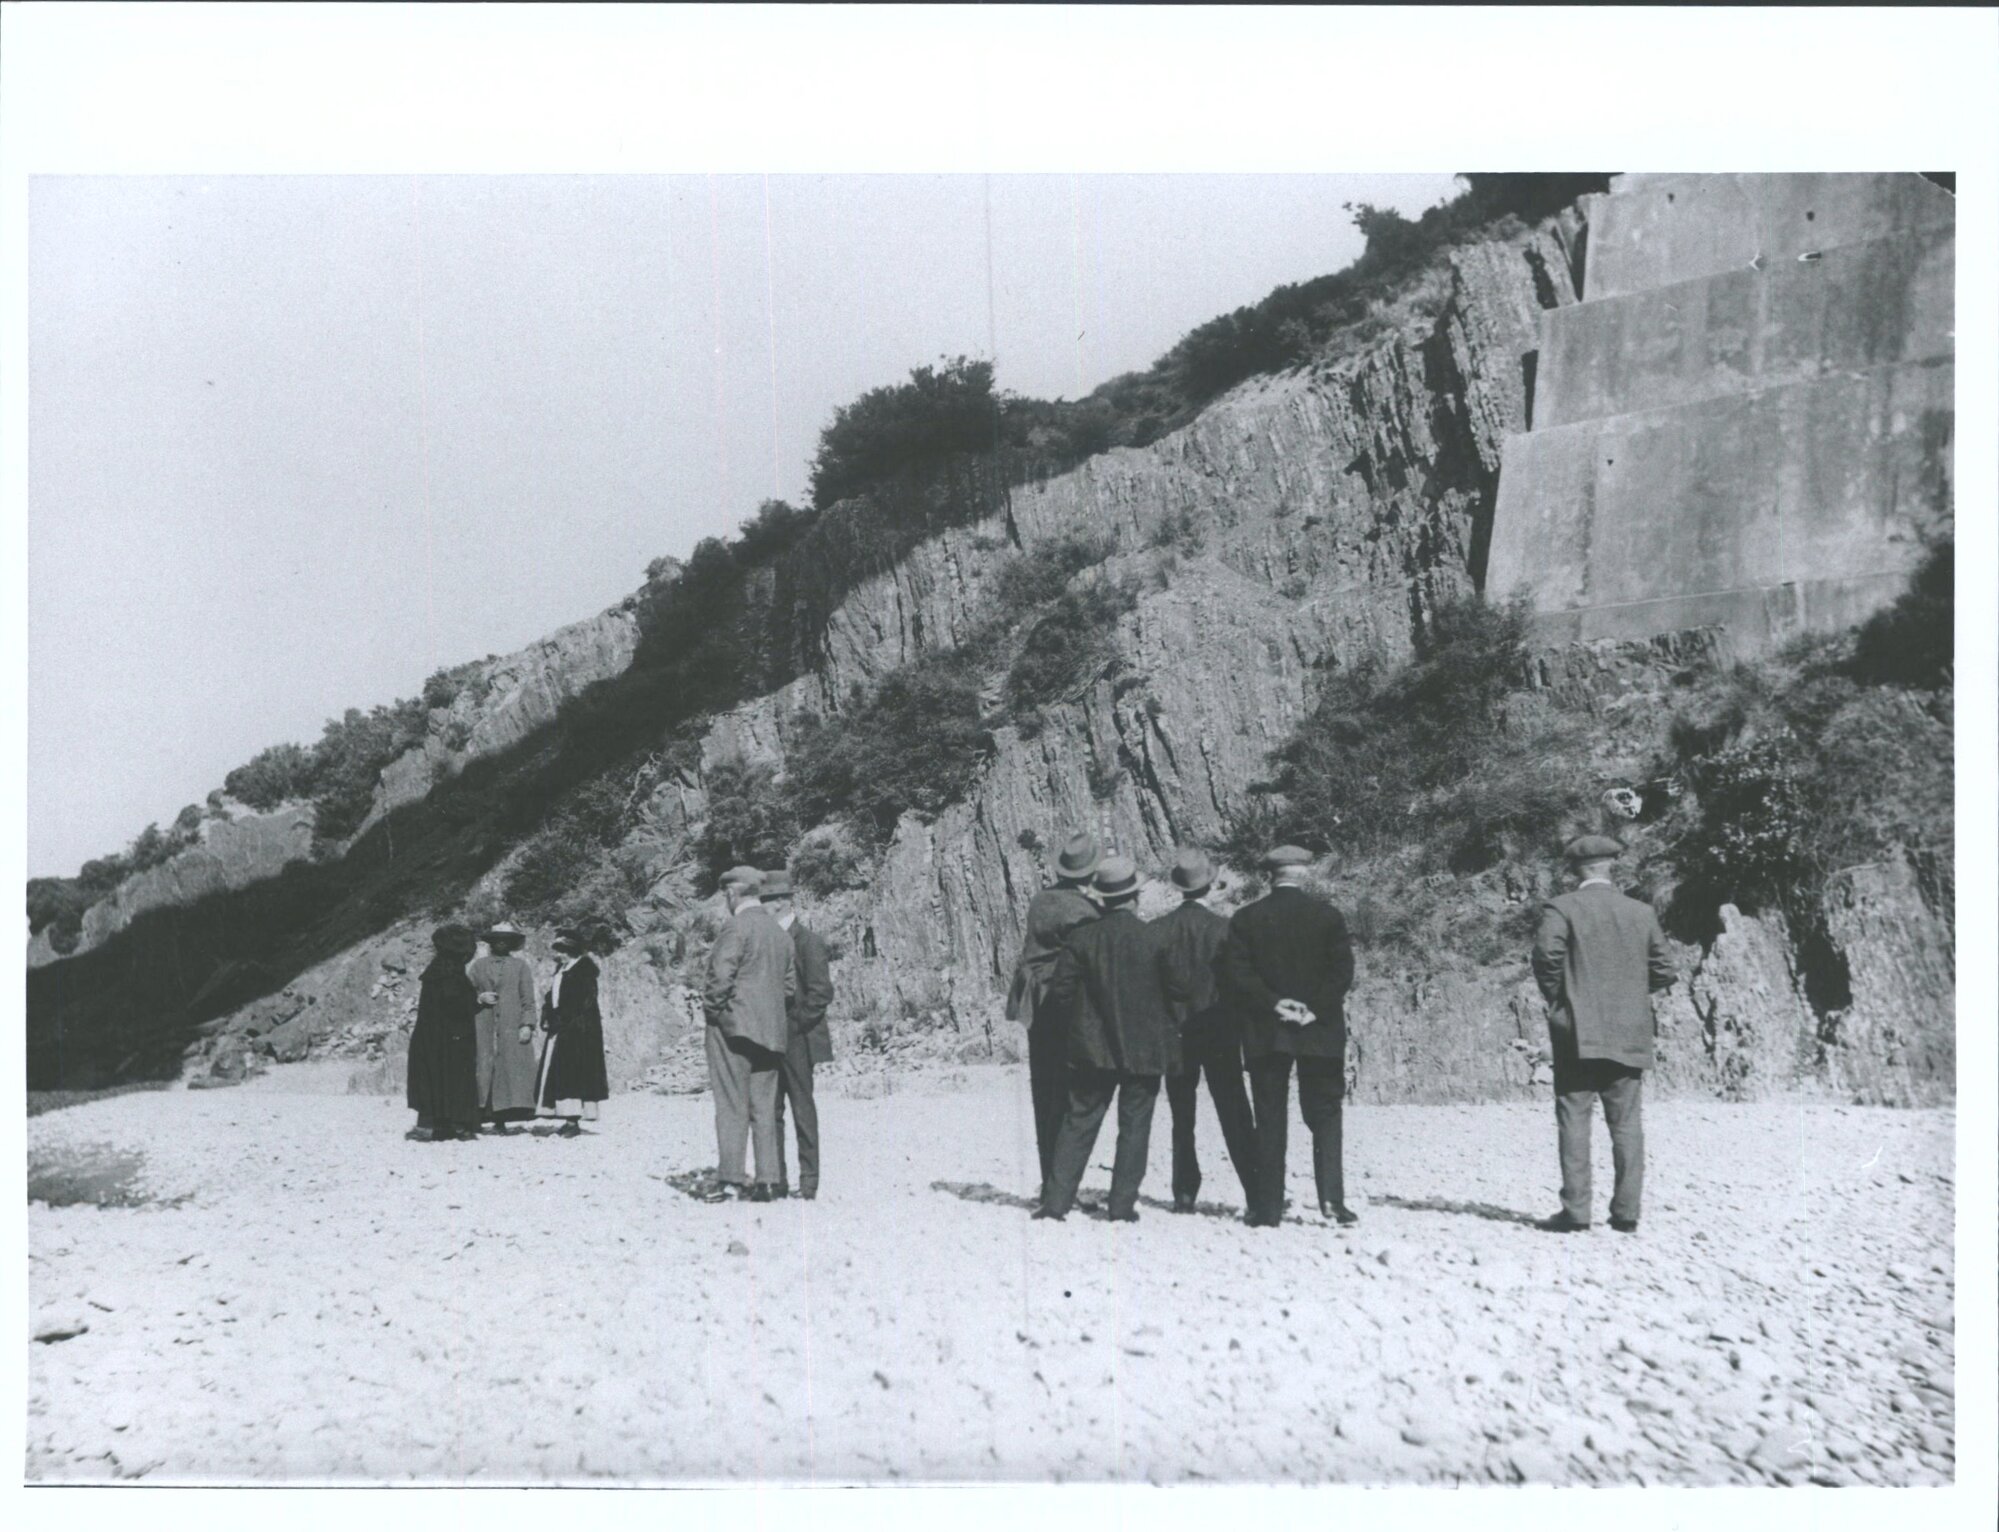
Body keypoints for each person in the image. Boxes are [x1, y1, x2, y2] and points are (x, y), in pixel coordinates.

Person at [1529, 835, 1677, 1234]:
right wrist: (1629, 994)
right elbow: (1664, 969)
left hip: (1577, 1031)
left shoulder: (1562, 908)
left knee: (1574, 1117)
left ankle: (1576, 1212)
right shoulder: (1640, 912)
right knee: (1627, 1123)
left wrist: (1561, 999)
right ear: (1611, 866)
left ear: (1575, 869)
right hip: (1629, 1029)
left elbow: (1546, 958)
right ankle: (1626, 1214)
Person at [1035, 855, 1178, 1223]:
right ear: (1135, 896)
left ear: (1102, 898)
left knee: (1078, 1121)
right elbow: (1176, 991)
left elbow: (1062, 993)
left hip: (1090, 1049)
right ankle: (1121, 1206)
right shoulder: (1155, 938)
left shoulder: (1083, 939)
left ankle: (1055, 1204)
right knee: (1134, 1126)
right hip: (1143, 1049)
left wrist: (1082, 1027)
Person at [1221, 846, 1357, 1228]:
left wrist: (1274, 1004)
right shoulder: (1328, 917)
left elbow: (1238, 973)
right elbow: (1342, 971)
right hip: (1320, 1029)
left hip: (1268, 1031)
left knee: (1269, 1116)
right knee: (1326, 1113)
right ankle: (1332, 1202)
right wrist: (1314, 1008)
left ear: (1270, 876)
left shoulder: (1246, 919)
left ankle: (1267, 1209)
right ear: (1306, 874)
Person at [1154, 847, 1257, 1213]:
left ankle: (1184, 1192)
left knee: (1182, 1116)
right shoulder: (1223, 930)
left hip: (1175, 1035)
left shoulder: (1158, 931)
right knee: (1234, 1111)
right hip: (1218, 1032)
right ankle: (1255, 1191)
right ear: (1210, 885)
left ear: (1178, 887)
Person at [1006, 831, 1102, 1198]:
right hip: (1067, 1005)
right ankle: (1063, 1185)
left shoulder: (1041, 900)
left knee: (1044, 1092)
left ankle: (1050, 1178)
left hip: (1034, 1001)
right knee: (1072, 1094)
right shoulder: (1084, 911)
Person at [699, 866, 795, 1203]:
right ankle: (768, 1181)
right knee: (764, 1109)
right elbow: (788, 987)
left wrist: (714, 1012)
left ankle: (731, 1180)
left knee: (731, 1105)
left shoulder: (735, 928)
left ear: (731, 893)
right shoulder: (780, 933)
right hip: (771, 1032)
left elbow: (720, 978)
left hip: (733, 1030)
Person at [762, 870, 835, 1201]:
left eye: (765, 901)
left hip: (797, 1038)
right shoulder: (765, 942)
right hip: (767, 1037)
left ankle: (809, 1182)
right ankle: (776, 1180)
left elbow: (821, 993)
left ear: (782, 902)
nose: (761, 907)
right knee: (770, 1110)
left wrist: (796, 1025)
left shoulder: (809, 942)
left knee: (802, 1108)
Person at [406, 923, 481, 1141]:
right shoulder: (451, 973)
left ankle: (431, 1124)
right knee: (454, 1077)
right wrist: (477, 1003)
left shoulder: (436, 970)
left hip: (430, 1037)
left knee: (432, 1078)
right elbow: (455, 1005)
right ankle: (458, 1125)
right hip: (451, 1037)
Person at [536, 927, 609, 1136]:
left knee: (574, 1073)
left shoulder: (583, 971)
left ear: (569, 951)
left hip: (580, 1031)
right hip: (564, 1028)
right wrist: (548, 1013)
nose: (556, 954)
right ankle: (567, 1118)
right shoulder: (563, 970)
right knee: (563, 1071)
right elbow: (554, 996)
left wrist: (564, 1018)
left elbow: (584, 1002)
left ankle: (573, 1120)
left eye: (560, 950)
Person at [470, 921, 541, 1133]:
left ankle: (504, 1118)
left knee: (508, 1071)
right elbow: (465, 994)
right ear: (491, 942)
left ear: (511, 944)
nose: (501, 944)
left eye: (506, 941)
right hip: (482, 1024)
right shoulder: (478, 966)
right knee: (483, 1068)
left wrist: (527, 1024)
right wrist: (479, 998)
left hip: (511, 1025)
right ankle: (480, 1116)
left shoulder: (520, 967)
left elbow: (528, 999)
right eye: (497, 940)